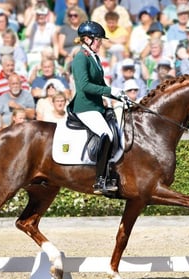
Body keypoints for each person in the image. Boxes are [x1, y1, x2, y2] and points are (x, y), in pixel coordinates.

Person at [71, 21, 122, 194]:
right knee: (105, 134)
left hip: (97, 105)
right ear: (87, 39)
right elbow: (84, 86)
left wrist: (116, 95)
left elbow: (100, 84)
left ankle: (112, 171)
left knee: (118, 127)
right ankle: (100, 180)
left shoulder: (94, 57)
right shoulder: (80, 58)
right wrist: (109, 90)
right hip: (85, 107)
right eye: (98, 39)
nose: (100, 42)